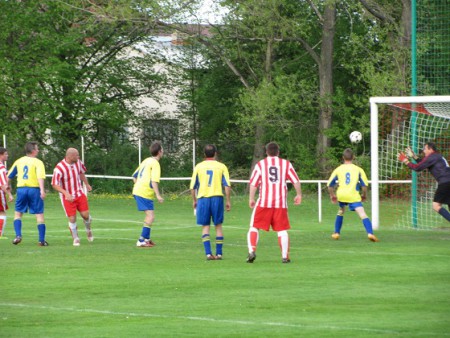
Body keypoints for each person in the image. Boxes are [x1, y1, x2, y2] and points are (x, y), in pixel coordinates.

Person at [246, 142, 302, 264]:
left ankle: (252, 251)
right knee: (281, 230)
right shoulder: (286, 164)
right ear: (278, 152)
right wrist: (299, 194)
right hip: (280, 203)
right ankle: (284, 256)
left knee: (254, 227)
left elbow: (254, 183)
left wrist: (251, 198)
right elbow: (295, 180)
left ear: (266, 152)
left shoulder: (261, 164)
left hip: (264, 202)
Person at [327, 148, 378, 242]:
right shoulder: (358, 170)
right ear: (353, 157)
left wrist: (332, 195)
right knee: (362, 214)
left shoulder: (338, 169)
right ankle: (370, 233)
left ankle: (336, 233)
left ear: (343, 158)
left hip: (341, 195)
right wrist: (364, 195)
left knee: (341, 211)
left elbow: (330, 185)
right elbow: (364, 185)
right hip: (353, 195)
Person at [190, 144, 231, 260]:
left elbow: (192, 187)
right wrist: (228, 200)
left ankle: (208, 253)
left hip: (203, 199)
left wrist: (194, 200)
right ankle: (219, 254)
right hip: (217, 198)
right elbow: (227, 185)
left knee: (205, 226)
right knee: (218, 226)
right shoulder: (222, 166)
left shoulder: (198, 167)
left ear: (204, 154)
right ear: (215, 153)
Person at [8, 141, 48, 246]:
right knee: (39, 215)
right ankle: (41, 240)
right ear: (33, 150)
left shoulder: (19, 161)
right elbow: (40, 177)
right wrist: (42, 190)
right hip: (34, 189)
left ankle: (18, 235)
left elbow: (9, 176)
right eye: (37, 148)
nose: (38, 150)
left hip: (21, 189)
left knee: (18, 214)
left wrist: (9, 190)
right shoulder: (38, 162)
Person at [398, 142, 450, 222]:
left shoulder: (432, 157)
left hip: (445, 183)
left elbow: (417, 168)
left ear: (430, 149)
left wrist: (406, 161)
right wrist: (414, 156)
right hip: (447, 181)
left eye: (425, 149)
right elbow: (423, 163)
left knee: (436, 206)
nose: (423, 151)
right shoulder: (436, 156)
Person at [51, 148, 94, 246]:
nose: (78, 157)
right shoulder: (59, 168)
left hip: (79, 193)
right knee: (72, 218)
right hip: (67, 197)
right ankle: (76, 238)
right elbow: (54, 184)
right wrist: (66, 193)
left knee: (86, 215)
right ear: (70, 156)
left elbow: (81, 173)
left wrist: (86, 184)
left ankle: (88, 230)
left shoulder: (78, 162)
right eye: (77, 155)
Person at [132, 141, 164, 247]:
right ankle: (141, 240)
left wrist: (139, 186)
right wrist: (158, 195)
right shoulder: (155, 163)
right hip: (144, 192)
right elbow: (154, 181)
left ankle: (147, 239)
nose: (163, 151)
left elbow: (134, 176)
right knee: (150, 216)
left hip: (140, 191)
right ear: (159, 152)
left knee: (151, 216)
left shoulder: (147, 160)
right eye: (162, 149)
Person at [0, 147, 14, 239]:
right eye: (6, 154)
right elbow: (3, 184)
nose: (7, 155)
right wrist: (9, 195)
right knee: (2, 213)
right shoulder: (1, 167)